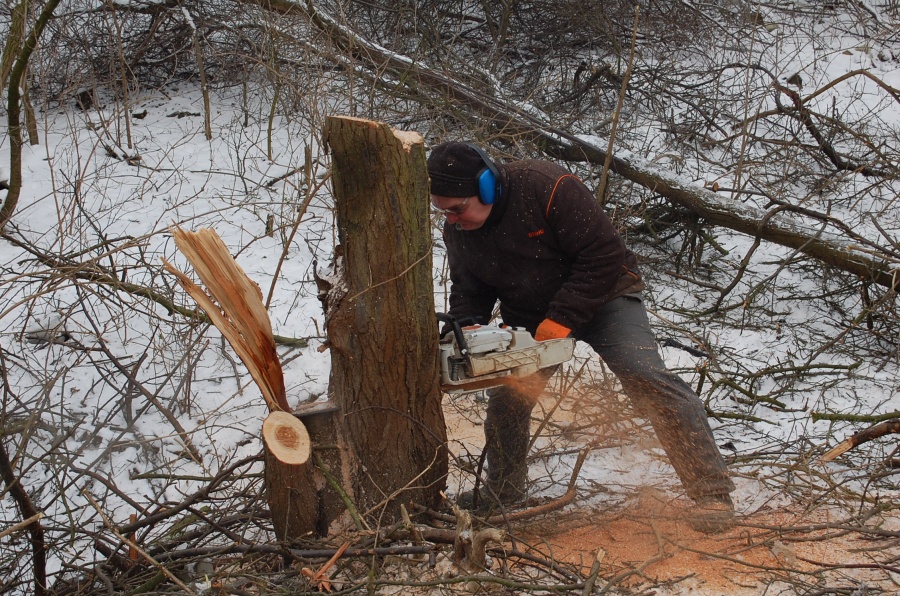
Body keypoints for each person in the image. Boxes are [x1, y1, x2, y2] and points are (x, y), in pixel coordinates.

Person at [427, 141, 736, 533]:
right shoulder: (460, 230)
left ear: (487, 187)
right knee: (509, 398)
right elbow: (469, 289)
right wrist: (467, 327)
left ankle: (711, 494)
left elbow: (603, 254)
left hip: (606, 297)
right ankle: (504, 493)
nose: (453, 219)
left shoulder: (545, 186)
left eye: (457, 209)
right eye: (444, 212)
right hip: (530, 315)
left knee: (644, 374)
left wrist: (562, 318)